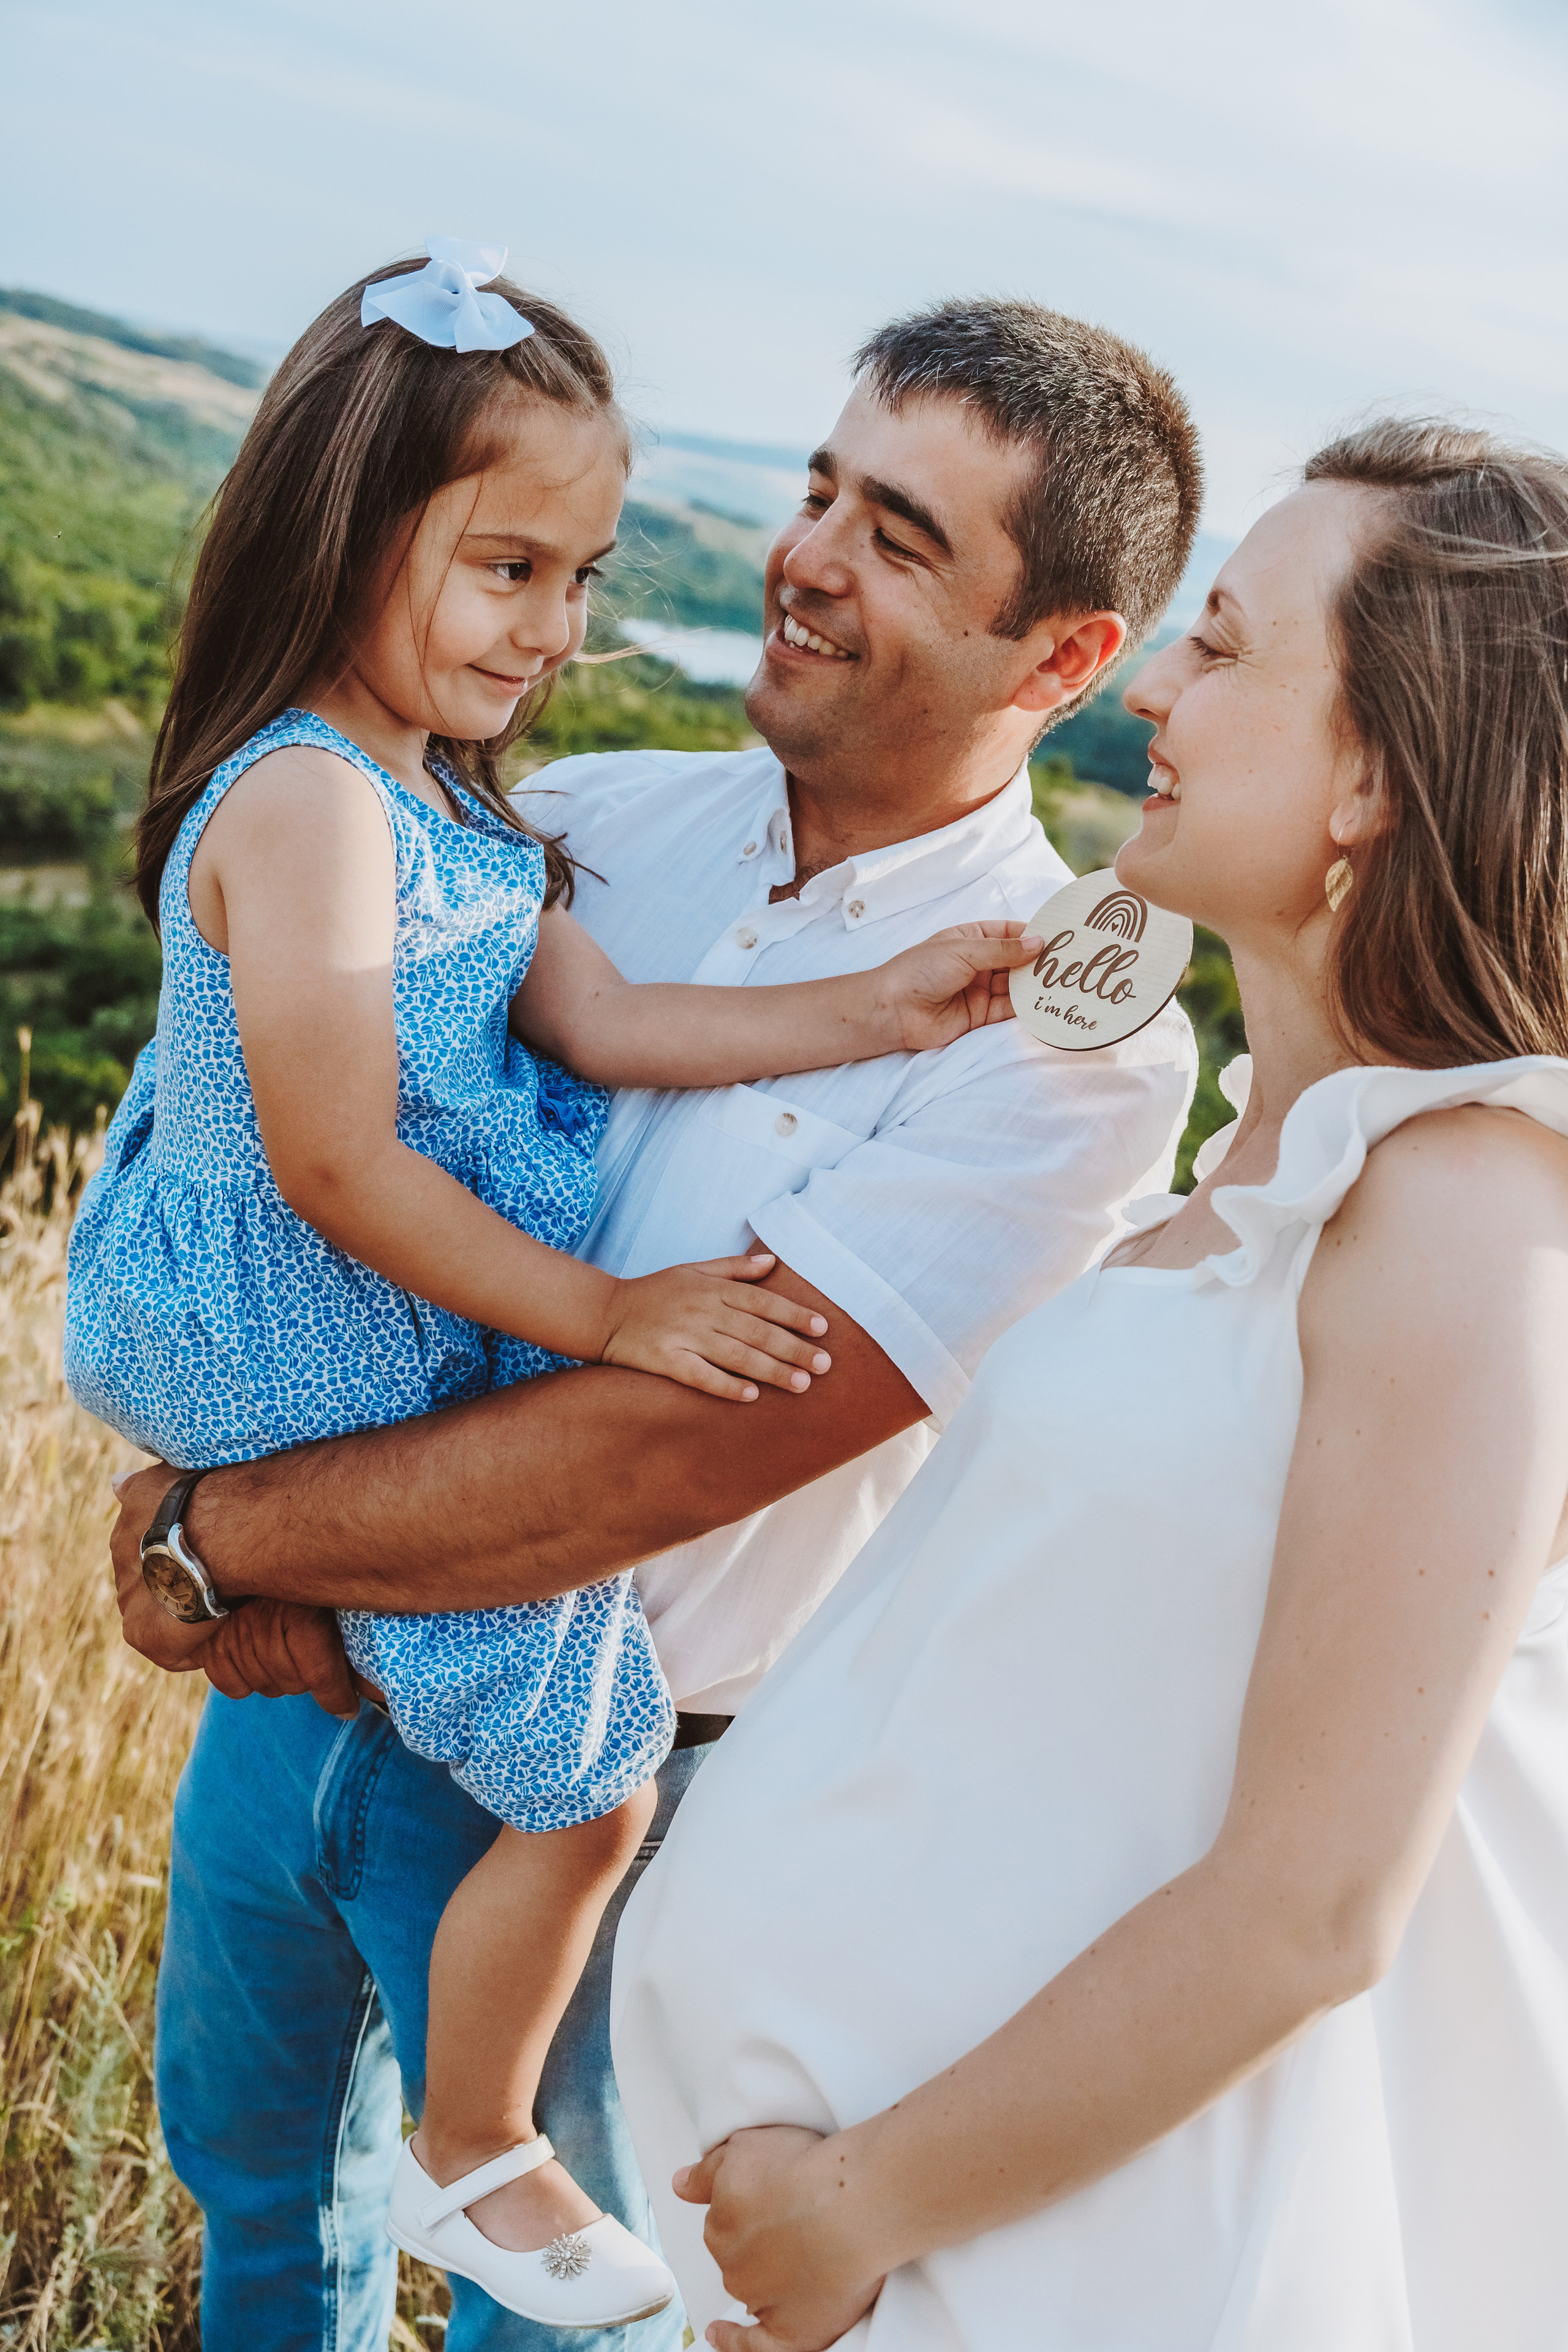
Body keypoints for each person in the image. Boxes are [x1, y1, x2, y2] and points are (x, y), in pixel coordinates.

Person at [108, 295, 1203, 2352]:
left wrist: (207, 1537)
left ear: (1062, 661)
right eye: (818, 488)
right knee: (259, 2203)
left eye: (900, 535)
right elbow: (275, 1149)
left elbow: (668, 1451)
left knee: (574, 2329)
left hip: (621, 1802)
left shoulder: (1064, 1052)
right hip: (294, 1717)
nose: (804, 556)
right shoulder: (580, 816)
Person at [610, 418, 1568, 2352]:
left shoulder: (1470, 1207)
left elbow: (1315, 1905)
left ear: (1376, 770)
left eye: (1222, 647)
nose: (1153, 686)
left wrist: (856, 2206)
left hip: (1110, 2267)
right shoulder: (1277, 1171)